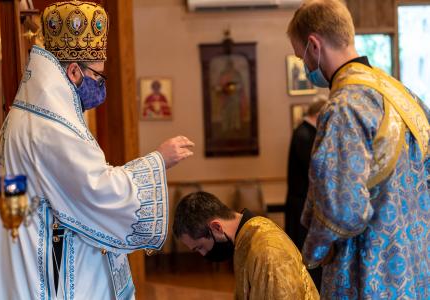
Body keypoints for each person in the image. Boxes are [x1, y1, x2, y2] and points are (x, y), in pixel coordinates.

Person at [0, 2, 194, 300]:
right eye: (98, 76)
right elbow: (96, 187)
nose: (101, 86)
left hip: (26, 242)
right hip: (39, 261)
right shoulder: (49, 125)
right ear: (74, 71)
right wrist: (157, 162)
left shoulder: (35, 111)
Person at [287, 0, 430, 298]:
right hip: (416, 269)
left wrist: (310, 252)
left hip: (368, 275)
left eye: (300, 56)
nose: (305, 67)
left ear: (314, 46)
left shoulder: (344, 106)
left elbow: (342, 210)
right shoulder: (405, 96)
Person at [173, 191, 319, 299]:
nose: (203, 254)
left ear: (217, 228)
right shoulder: (245, 238)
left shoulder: (268, 250)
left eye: (200, 247)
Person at [285, 96, 328, 291]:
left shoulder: (304, 132)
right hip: (301, 203)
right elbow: (313, 169)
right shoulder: (304, 135)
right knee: (305, 258)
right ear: (318, 114)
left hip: (301, 201)